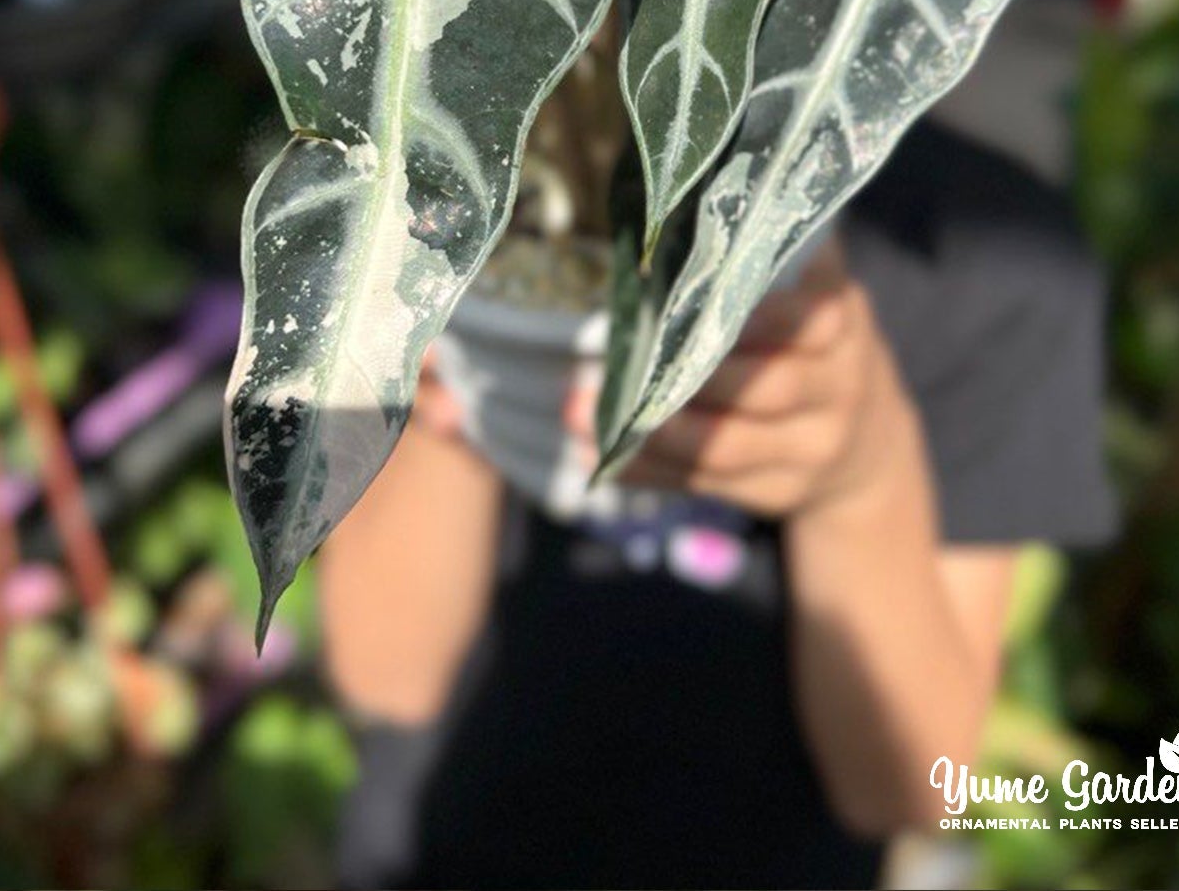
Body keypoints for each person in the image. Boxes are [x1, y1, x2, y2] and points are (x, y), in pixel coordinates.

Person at [319, 119, 1116, 890]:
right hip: (441, 850)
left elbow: (909, 785)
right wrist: (457, 337)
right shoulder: (453, 165)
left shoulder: (996, 265)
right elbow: (386, 676)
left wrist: (861, 479)